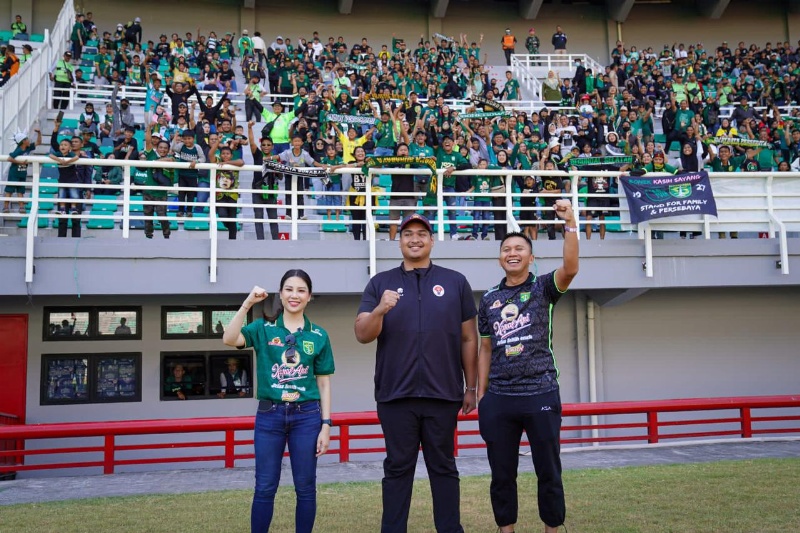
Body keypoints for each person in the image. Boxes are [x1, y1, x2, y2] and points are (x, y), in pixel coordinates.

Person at [355, 213, 479, 533]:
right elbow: (362, 333)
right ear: (399, 241)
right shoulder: (380, 283)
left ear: (432, 240)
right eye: (407, 233)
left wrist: (471, 386)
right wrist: (381, 308)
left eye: (421, 233)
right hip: (395, 396)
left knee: (444, 468)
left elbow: (468, 337)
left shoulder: (455, 282)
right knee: (398, 469)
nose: (414, 239)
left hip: (443, 394)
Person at [477, 200, 579, 533]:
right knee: (501, 473)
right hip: (499, 398)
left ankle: (553, 527)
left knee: (548, 470)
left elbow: (572, 267)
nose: (513, 252)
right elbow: (485, 347)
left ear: (531, 257)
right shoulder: (489, 298)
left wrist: (570, 223)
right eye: (507, 248)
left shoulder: (544, 287)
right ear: (500, 258)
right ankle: (506, 529)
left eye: (520, 248)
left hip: (541, 393)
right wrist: (481, 396)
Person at [222, 270, 335, 533]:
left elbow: (323, 382)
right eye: (289, 289)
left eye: (301, 290)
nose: (294, 295)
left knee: (306, 487)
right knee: (264, 486)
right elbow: (229, 339)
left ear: (309, 296)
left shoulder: (318, 335)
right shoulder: (262, 328)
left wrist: (326, 424)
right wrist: (248, 303)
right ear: (280, 294)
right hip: (269, 416)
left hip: (307, 417)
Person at [4, 128, 41, 214]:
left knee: (21, 191)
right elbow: (10, 158)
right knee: (9, 190)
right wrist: (20, 162)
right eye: (27, 139)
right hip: (14, 173)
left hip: (22, 173)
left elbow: (38, 142)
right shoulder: (18, 150)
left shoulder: (28, 148)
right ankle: (5, 207)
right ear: (23, 141)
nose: (29, 140)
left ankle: (21, 207)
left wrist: (39, 133)